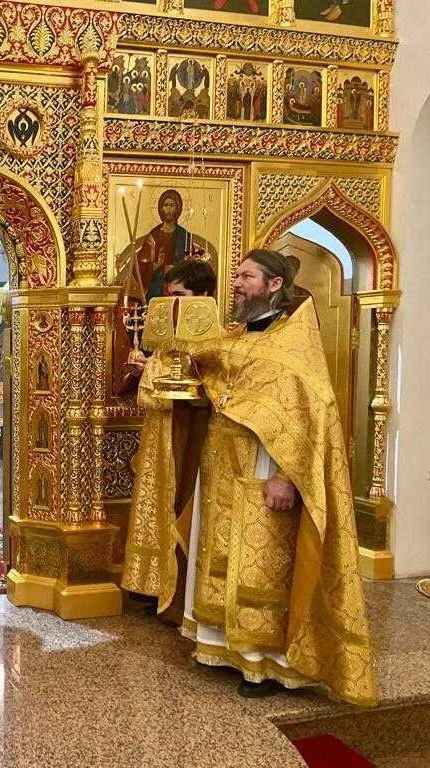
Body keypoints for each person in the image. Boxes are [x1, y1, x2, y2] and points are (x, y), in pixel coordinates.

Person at [170, 249, 374, 704]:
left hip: (266, 467)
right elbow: (209, 376)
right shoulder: (237, 338)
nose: (237, 284)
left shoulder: (293, 346)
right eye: (236, 276)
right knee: (219, 550)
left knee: (262, 563)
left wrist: (287, 476)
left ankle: (265, 665)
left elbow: (307, 419)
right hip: (221, 464)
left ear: (274, 285)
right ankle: (223, 647)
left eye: (246, 277)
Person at [122, 259, 216, 625]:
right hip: (158, 436)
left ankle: (177, 589)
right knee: (154, 503)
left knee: (178, 504)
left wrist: (153, 372)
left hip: (187, 440)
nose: (170, 302)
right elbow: (152, 392)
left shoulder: (214, 338)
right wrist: (145, 368)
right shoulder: (167, 339)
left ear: (203, 298)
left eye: (179, 295)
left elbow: (204, 390)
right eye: (168, 294)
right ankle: (150, 583)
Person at [132, 189, 195, 302]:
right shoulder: (154, 236)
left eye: (172, 205)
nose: (169, 209)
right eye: (166, 205)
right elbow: (137, 267)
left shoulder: (184, 235)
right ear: (161, 208)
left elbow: (193, 264)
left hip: (179, 288)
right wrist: (155, 265)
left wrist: (179, 269)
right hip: (157, 288)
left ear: (178, 208)